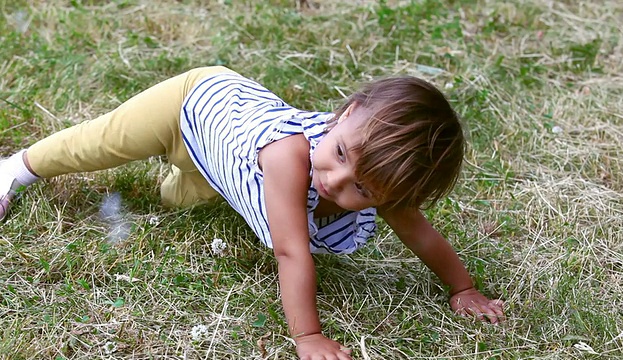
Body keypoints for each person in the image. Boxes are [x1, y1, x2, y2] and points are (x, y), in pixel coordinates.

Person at [0, 66, 505, 359]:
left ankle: (181, 173)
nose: (334, 181)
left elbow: (422, 237)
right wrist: (308, 336)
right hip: (192, 104)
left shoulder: (381, 182)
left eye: (364, 192)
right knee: (101, 142)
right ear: (346, 115)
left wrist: (463, 288)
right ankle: (15, 170)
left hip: (222, 166)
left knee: (174, 199)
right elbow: (290, 251)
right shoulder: (290, 156)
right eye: (342, 156)